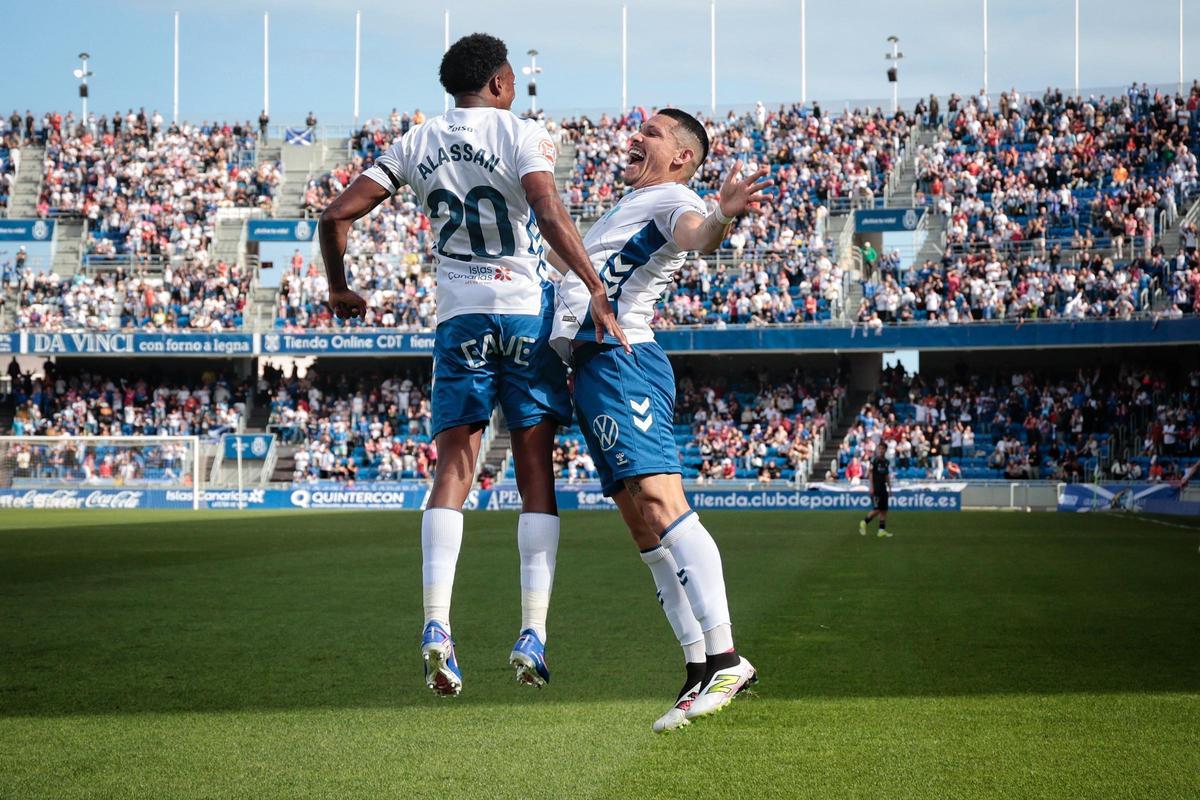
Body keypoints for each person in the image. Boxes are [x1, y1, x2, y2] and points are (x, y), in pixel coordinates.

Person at [319, 33, 625, 697]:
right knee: (533, 467)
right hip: (523, 311)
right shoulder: (524, 131)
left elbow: (336, 215)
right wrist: (594, 284)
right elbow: (544, 207)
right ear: (497, 84)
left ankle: (437, 625)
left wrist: (340, 288)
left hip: (458, 316)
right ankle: (532, 633)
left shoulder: (415, 142)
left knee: (453, 469)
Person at [548, 109, 771, 732]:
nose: (635, 135)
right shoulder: (629, 201)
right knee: (641, 524)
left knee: (658, 496)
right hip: (590, 369)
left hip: (625, 359)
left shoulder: (673, 196)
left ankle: (727, 657)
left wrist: (722, 214)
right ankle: (697, 669)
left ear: (679, 156)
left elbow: (696, 234)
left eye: (649, 131)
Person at [860, 442, 892, 538]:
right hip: (876, 487)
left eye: (883, 448)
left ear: (885, 450)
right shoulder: (874, 460)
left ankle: (881, 531)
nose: (881, 450)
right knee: (877, 509)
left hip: (883, 487)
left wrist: (890, 488)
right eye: (880, 448)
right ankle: (864, 522)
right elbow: (870, 473)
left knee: (884, 510)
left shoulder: (886, 461)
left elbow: (887, 475)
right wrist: (871, 486)